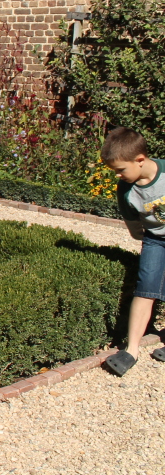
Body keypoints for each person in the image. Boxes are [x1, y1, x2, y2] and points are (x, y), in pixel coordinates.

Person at [101, 127, 165, 376]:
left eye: (120, 169)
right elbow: (134, 225)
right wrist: (146, 239)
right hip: (154, 241)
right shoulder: (126, 190)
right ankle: (132, 350)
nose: (118, 175)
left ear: (140, 160)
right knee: (145, 287)